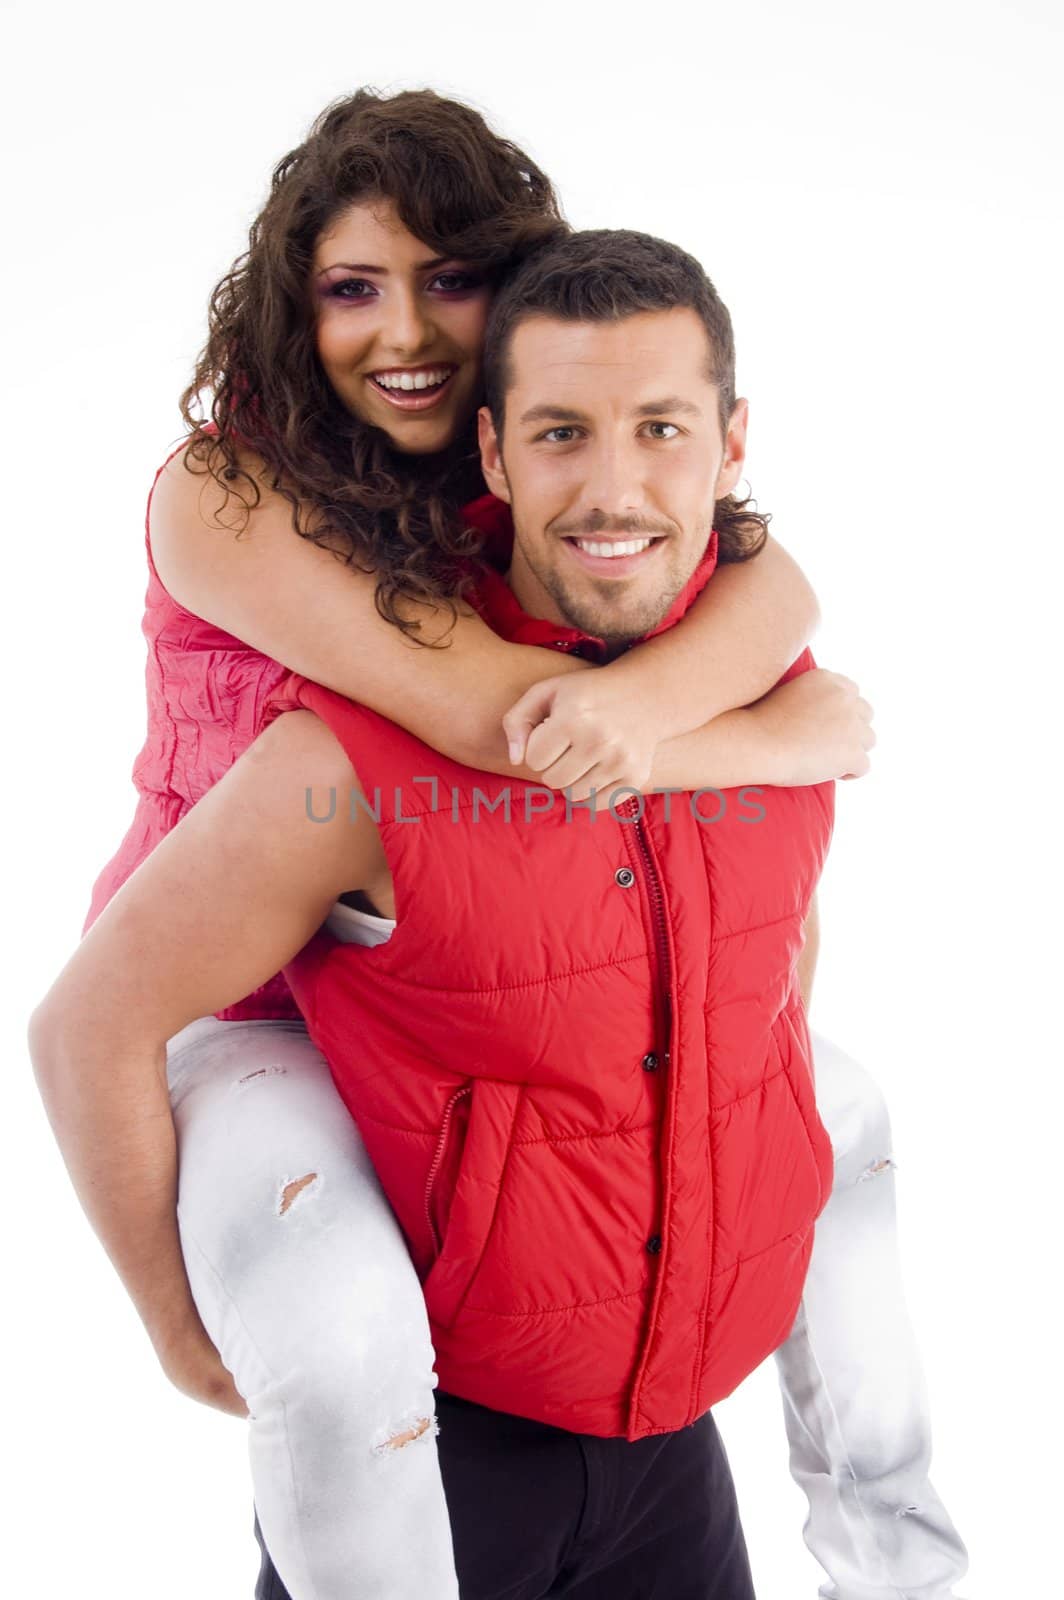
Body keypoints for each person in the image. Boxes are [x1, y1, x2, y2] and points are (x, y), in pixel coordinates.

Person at [27, 93, 965, 1600]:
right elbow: (496, 722)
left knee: (837, 1119)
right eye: (350, 286)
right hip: (252, 1004)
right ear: (292, 302)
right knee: (340, 1334)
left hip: (443, 970)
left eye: (449, 278)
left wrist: (703, 694)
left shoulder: (517, 466)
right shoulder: (226, 488)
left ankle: (897, 1565)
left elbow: (766, 573)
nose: (401, 328)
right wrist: (770, 737)